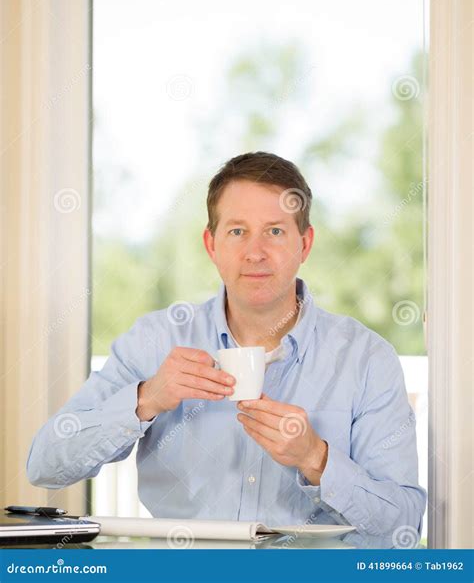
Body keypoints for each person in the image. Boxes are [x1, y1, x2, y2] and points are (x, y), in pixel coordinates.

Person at [27, 151, 426, 548]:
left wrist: (316, 459)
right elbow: (45, 464)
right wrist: (146, 399)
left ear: (304, 244)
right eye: (237, 231)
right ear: (211, 243)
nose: (255, 252)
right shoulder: (154, 341)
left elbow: (404, 528)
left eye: (275, 231)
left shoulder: (367, 358)